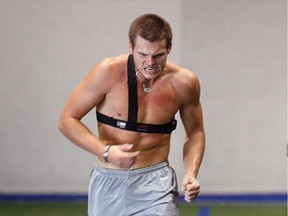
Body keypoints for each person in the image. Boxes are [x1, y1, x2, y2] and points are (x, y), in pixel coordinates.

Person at [58, 13, 205, 216]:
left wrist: (191, 173)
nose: (150, 63)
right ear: (131, 47)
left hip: (156, 183)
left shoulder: (184, 83)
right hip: (108, 181)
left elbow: (195, 132)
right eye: (143, 54)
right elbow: (67, 120)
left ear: (169, 48)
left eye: (158, 55)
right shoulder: (107, 72)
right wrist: (105, 151)